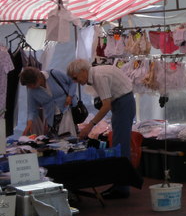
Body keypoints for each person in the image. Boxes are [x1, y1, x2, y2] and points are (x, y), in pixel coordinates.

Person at [67, 59, 135, 199]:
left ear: (83, 71)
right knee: (118, 145)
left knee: (120, 147)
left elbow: (106, 106)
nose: (75, 81)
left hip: (123, 103)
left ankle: (122, 188)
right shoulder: (98, 73)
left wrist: (90, 125)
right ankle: (120, 185)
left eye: (75, 77)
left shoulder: (98, 76)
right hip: (122, 102)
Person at [19, 67, 74, 136]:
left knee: (70, 138)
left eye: (30, 85)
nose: (30, 87)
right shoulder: (31, 91)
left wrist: (70, 96)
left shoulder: (54, 74)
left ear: (38, 78)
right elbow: (31, 109)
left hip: (67, 110)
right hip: (52, 118)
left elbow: (72, 81)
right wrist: (29, 123)